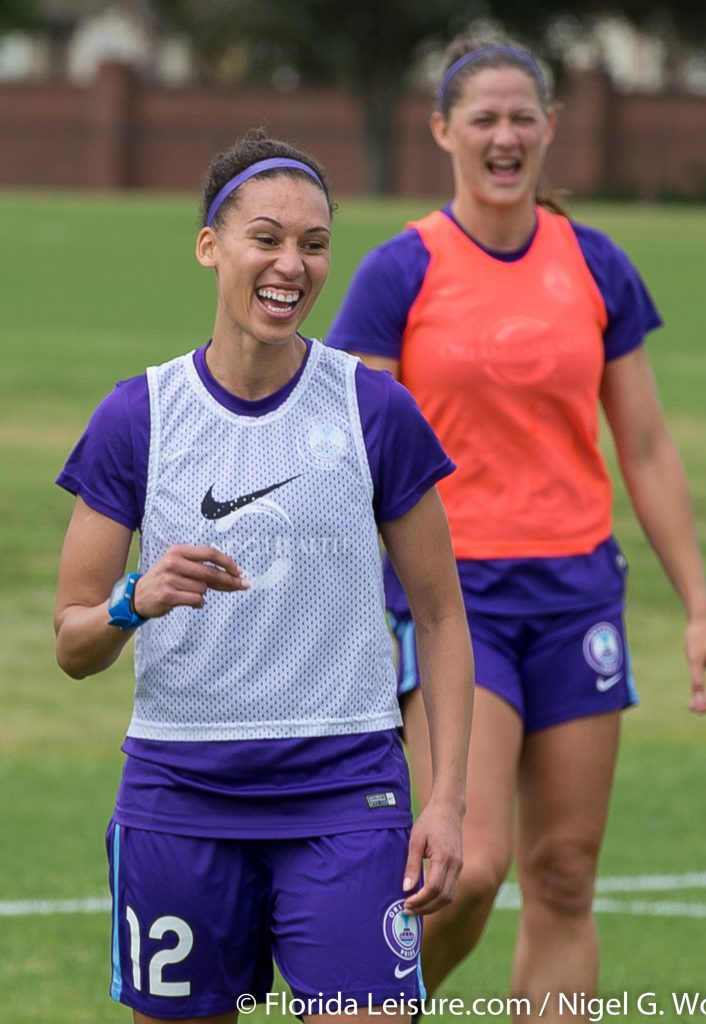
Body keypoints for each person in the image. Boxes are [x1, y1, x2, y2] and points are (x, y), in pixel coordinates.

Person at [325, 35, 706, 1022]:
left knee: (562, 872)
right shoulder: (401, 270)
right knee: (464, 867)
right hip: (452, 602)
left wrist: (699, 610)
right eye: (483, 118)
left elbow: (642, 445)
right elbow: (358, 461)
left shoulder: (595, 264)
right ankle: (355, 1010)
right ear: (442, 132)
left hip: (576, 596)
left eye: (522, 118)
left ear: (549, 130)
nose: (504, 136)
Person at [54, 128, 474, 1024]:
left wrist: (447, 799)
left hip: (346, 792)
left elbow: (440, 617)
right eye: (268, 237)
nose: (293, 264)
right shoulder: (140, 418)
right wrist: (136, 597)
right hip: (180, 795)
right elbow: (72, 642)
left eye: (315, 244)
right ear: (211, 246)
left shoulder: (373, 409)